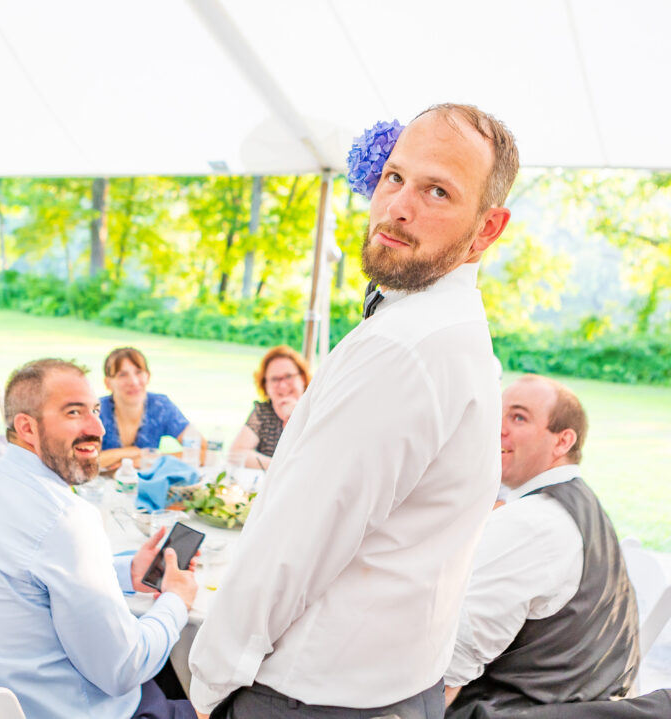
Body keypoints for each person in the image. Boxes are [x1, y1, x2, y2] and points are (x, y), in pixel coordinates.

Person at [188, 103, 519, 719]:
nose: (399, 205)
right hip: (395, 685)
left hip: (312, 694)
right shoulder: (449, 329)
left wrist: (210, 682)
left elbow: (295, 541)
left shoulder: (404, 348)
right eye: (395, 177)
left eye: (437, 191)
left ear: (487, 229)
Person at [0, 358, 200, 719]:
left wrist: (124, 572)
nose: (98, 427)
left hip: (0, 696)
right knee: (220, 697)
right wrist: (176, 600)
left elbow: (31, 577)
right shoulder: (64, 518)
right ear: (26, 427)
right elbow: (124, 670)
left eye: (94, 409)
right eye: (74, 413)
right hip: (73, 709)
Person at [444, 375, 640, 717]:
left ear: (562, 441)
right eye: (498, 414)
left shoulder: (533, 521)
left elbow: (453, 662)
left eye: (518, 417)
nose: (497, 428)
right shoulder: (580, 503)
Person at [98, 347, 203, 469]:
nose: (134, 382)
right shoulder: (95, 411)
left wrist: (151, 459)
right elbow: (78, 461)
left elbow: (201, 452)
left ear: (148, 376)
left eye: (138, 372)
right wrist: (130, 452)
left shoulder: (161, 406)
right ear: (108, 383)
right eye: (122, 375)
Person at [229, 345, 310, 468]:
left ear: (302, 379)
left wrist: (297, 415)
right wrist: (277, 467)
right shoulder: (263, 412)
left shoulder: (316, 409)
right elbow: (236, 454)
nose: (282, 385)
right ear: (265, 385)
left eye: (288, 376)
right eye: (274, 379)